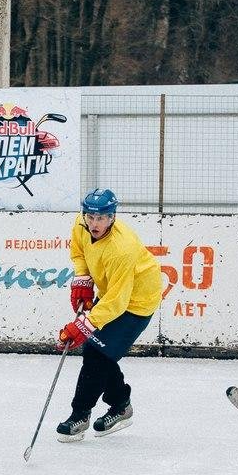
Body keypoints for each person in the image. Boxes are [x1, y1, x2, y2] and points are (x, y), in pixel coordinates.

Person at [55, 188, 163, 442]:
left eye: (101, 218)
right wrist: (83, 280)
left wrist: (82, 326)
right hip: (115, 292)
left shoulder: (122, 248)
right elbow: (79, 252)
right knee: (100, 350)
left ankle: (79, 416)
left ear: (112, 217)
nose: (94, 223)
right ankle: (120, 405)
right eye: (90, 216)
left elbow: (117, 301)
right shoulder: (80, 225)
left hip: (137, 301)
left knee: (97, 352)